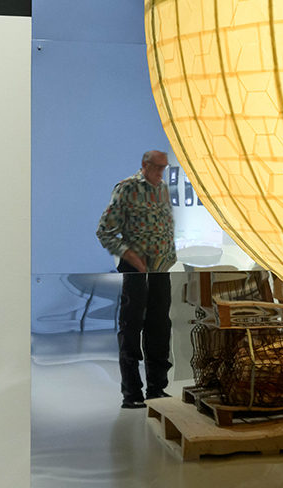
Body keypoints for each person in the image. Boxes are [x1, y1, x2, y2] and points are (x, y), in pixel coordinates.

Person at [97, 150, 177, 409]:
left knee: (160, 329)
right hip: (136, 271)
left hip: (160, 270)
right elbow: (104, 231)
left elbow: (165, 226)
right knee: (131, 329)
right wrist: (129, 255)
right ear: (144, 165)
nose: (161, 172)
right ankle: (131, 393)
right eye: (157, 167)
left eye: (164, 168)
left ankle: (157, 388)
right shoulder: (127, 188)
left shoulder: (162, 189)